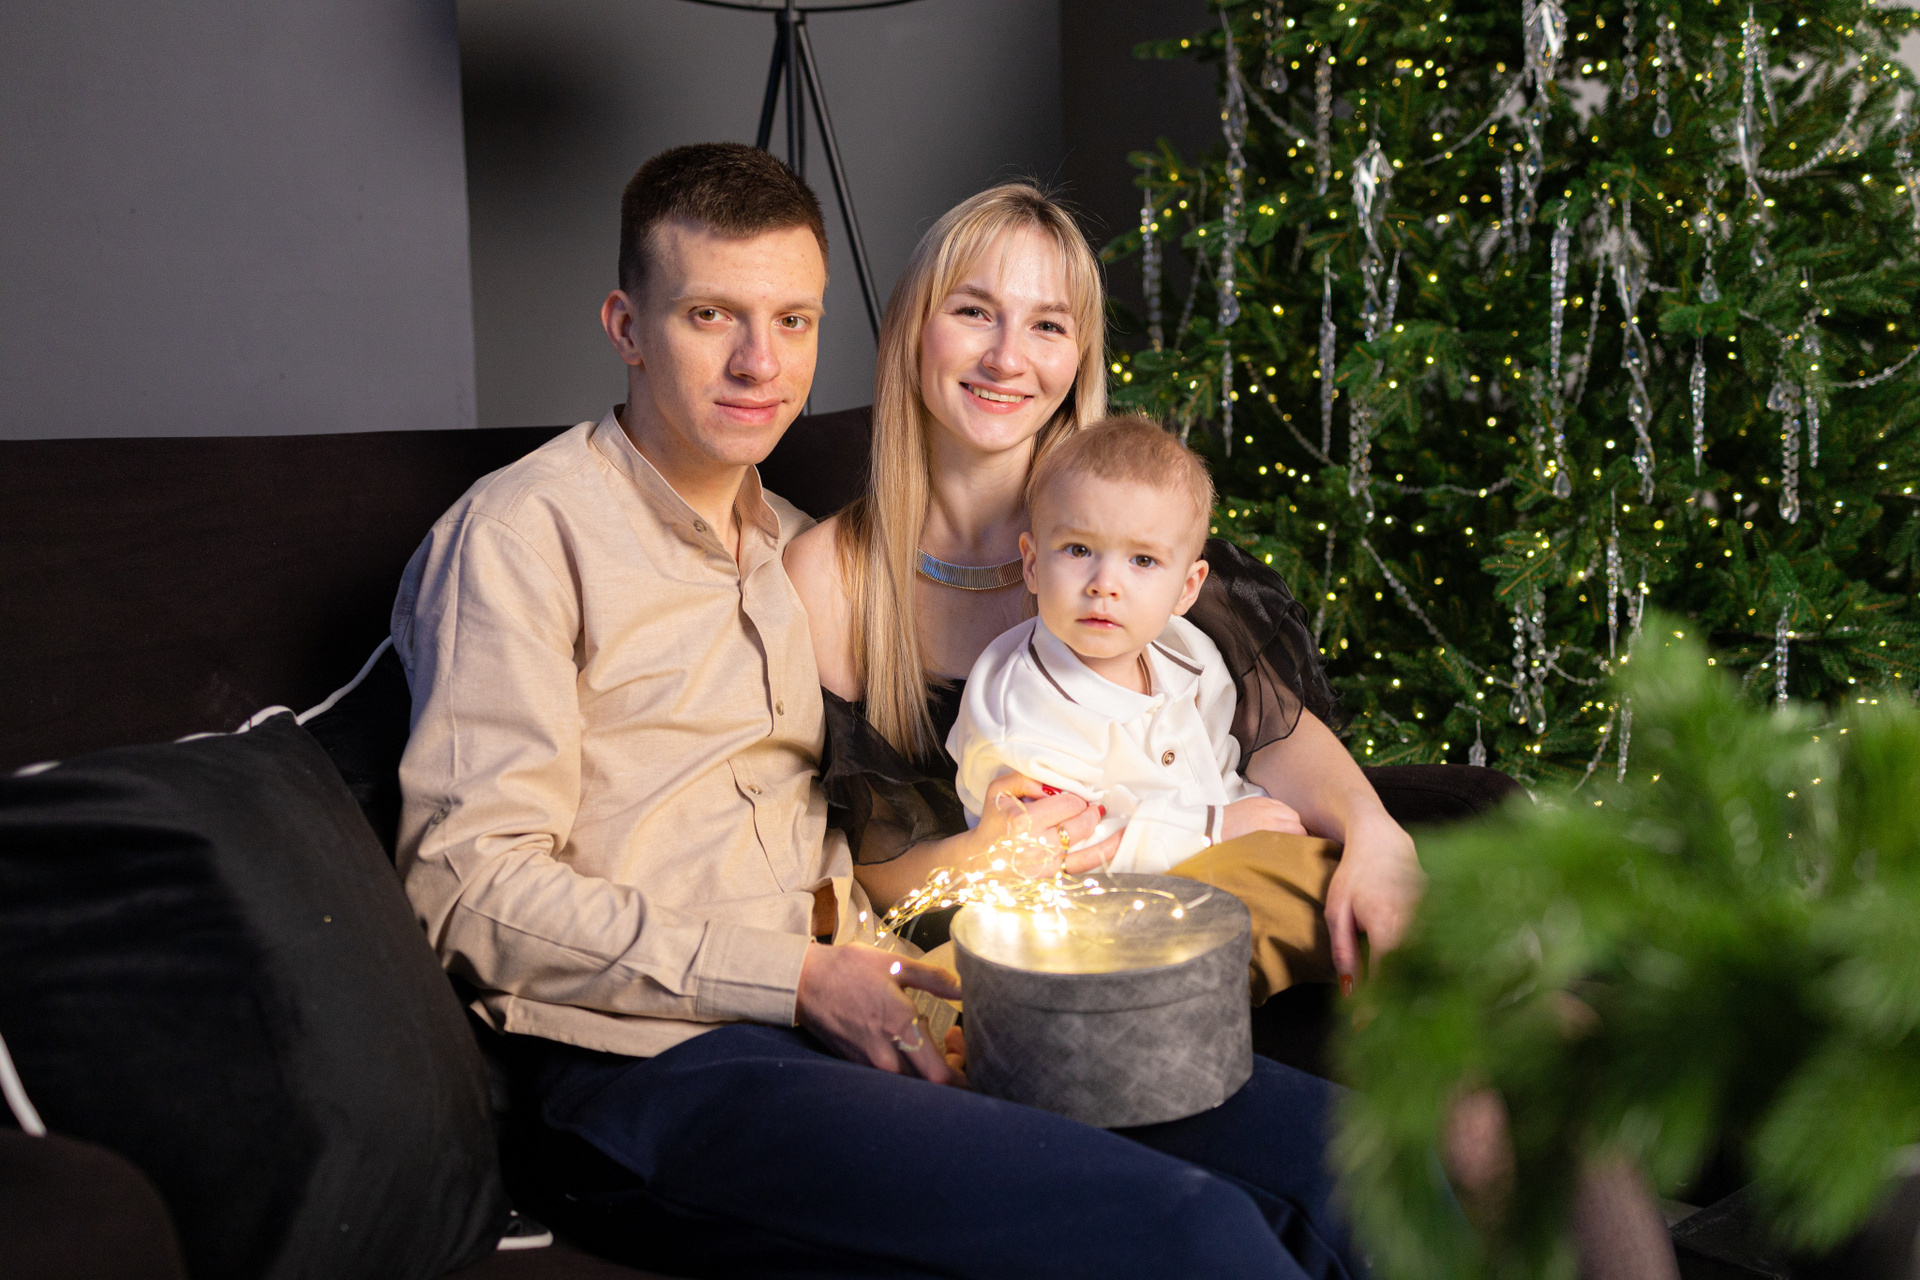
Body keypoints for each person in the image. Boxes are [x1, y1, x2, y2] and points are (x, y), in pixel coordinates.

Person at [393, 145, 1364, 1279]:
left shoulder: (798, 551)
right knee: (1188, 1232)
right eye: (711, 315)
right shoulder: (522, 536)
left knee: (1352, 1170)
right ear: (627, 326)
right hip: (661, 1063)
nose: (759, 362)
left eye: (793, 321)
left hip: (883, 1002)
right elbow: (466, 885)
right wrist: (797, 977)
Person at [783, 182, 1424, 990]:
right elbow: (881, 864)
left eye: (1048, 325)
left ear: (1078, 356)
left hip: (1204, 884)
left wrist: (1376, 831)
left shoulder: (1133, 530)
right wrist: (986, 856)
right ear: (914, 329)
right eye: (975, 312)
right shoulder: (828, 577)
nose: (1007, 357)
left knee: (1333, 887)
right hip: (1010, 923)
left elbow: (1270, 730)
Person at [950, 414, 1310, 874]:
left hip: (1225, 854)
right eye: (1079, 550)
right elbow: (1071, 848)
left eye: (1142, 560)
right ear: (1033, 564)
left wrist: (1250, 819)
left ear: (1187, 588)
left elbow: (1218, 767)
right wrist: (1213, 827)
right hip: (1101, 899)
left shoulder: (1189, 652)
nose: (1104, 584)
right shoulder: (1019, 713)